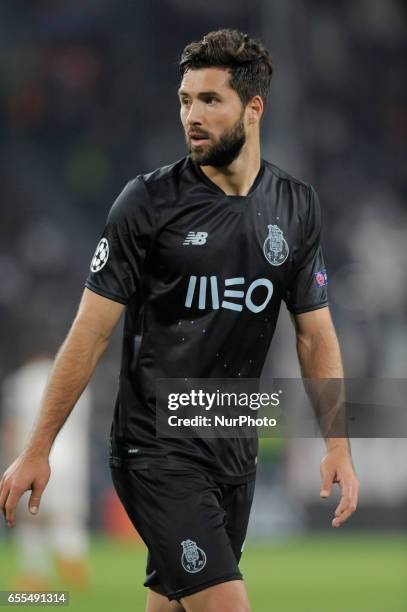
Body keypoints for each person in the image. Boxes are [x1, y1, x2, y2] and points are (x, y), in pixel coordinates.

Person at [0, 29, 359, 612]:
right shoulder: (148, 203)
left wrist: (338, 444)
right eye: (185, 101)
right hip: (156, 448)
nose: (192, 115)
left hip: (233, 445)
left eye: (210, 100)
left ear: (254, 106)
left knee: (169, 604)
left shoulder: (296, 207)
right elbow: (90, 332)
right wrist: (39, 445)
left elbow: (314, 331)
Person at [1, 354, 91, 590]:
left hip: (32, 454)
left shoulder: (22, 379)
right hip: (72, 455)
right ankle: (74, 566)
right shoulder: (77, 376)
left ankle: (35, 575)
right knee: (67, 514)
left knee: (31, 517)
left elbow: (11, 424)